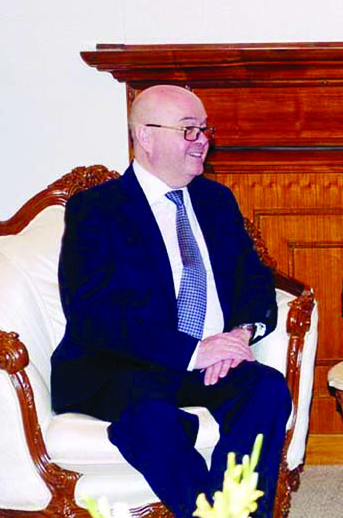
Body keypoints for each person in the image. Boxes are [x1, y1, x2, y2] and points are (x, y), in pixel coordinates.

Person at [51, 85, 291, 518]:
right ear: (146, 136)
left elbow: (255, 280)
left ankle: (236, 511)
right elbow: (90, 314)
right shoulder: (97, 210)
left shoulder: (216, 200)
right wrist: (195, 350)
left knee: (267, 389)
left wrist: (240, 335)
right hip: (124, 366)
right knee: (151, 418)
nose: (202, 141)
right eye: (188, 130)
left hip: (216, 358)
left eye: (204, 130)